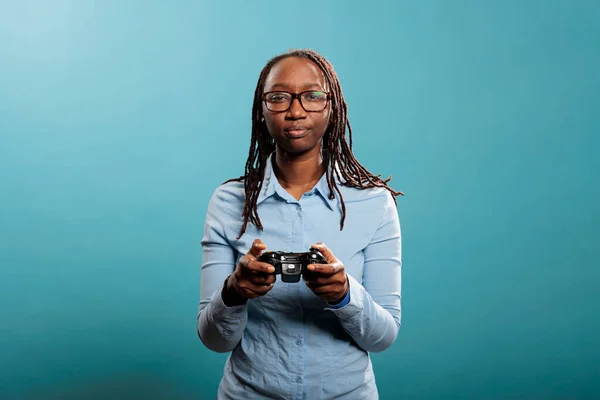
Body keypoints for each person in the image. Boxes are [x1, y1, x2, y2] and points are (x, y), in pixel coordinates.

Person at [197, 48, 403, 399]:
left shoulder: (374, 203)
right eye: (278, 97)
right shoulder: (229, 202)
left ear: (332, 106)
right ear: (261, 111)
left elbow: (382, 338)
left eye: (312, 96)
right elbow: (214, 340)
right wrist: (234, 291)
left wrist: (344, 294)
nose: (295, 110)